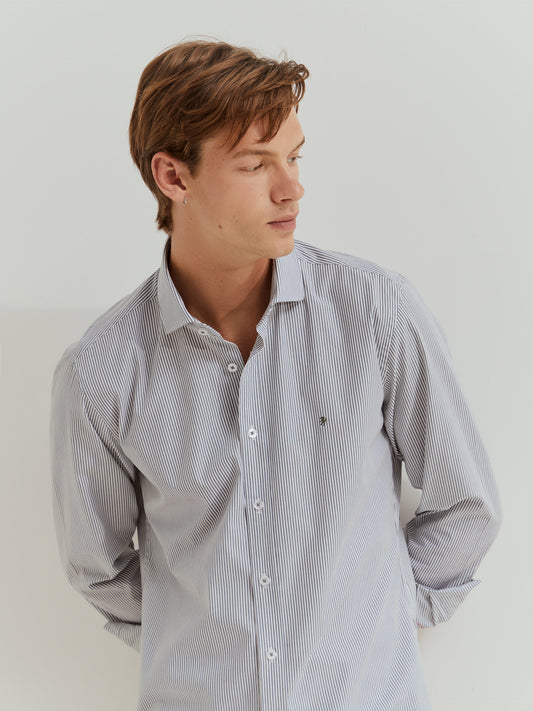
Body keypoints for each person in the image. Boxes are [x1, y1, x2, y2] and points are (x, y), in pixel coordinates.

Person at [50, 40, 501, 710]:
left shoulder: (375, 312)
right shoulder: (101, 371)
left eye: (293, 157)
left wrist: (370, 625)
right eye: (255, 164)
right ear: (173, 177)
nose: (291, 187)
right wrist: (203, 638)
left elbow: (466, 504)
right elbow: (99, 567)